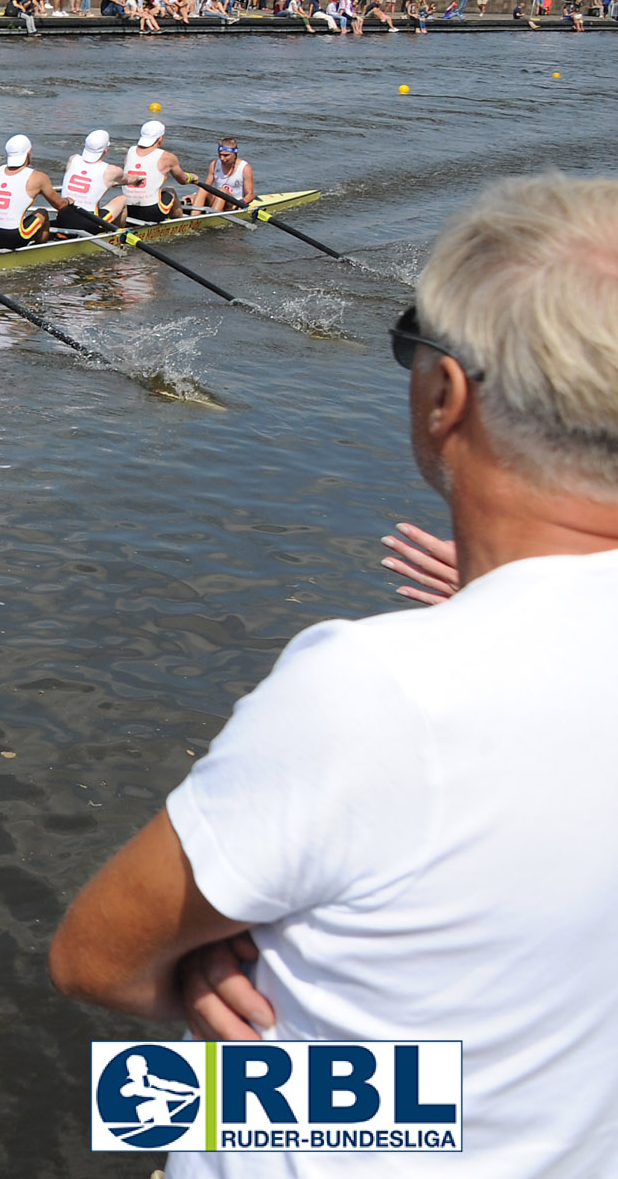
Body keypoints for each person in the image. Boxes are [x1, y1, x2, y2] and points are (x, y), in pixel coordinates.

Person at [53, 173, 618, 1172]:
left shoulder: (378, 688)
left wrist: (200, 998)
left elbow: (91, 959)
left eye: (415, 342)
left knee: (140, 1099)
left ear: (445, 395)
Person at [0, 135, 61, 249]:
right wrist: (68, 201)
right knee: (42, 213)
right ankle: (40, 249)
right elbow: (59, 205)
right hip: (11, 237)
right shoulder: (38, 177)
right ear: (29, 153)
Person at [120, 119, 195, 222]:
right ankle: (179, 221)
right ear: (160, 139)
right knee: (170, 190)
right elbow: (183, 180)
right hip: (151, 212)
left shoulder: (130, 151)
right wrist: (193, 177)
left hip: (127, 209)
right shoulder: (167, 157)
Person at [56, 130, 125, 233]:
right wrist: (138, 180)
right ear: (106, 150)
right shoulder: (112, 170)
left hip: (62, 218)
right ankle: (118, 235)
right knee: (122, 199)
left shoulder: (73, 159)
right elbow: (129, 180)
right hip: (88, 223)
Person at [191, 137, 256, 212]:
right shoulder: (214, 164)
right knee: (203, 188)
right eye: (220, 155)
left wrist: (242, 203)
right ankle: (193, 217)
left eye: (226, 155)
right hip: (217, 200)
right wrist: (194, 196)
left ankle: (212, 218)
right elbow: (207, 187)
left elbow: (250, 195)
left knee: (222, 191)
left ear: (234, 154)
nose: (222, 158)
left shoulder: (245, 168)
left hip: (233, 204)